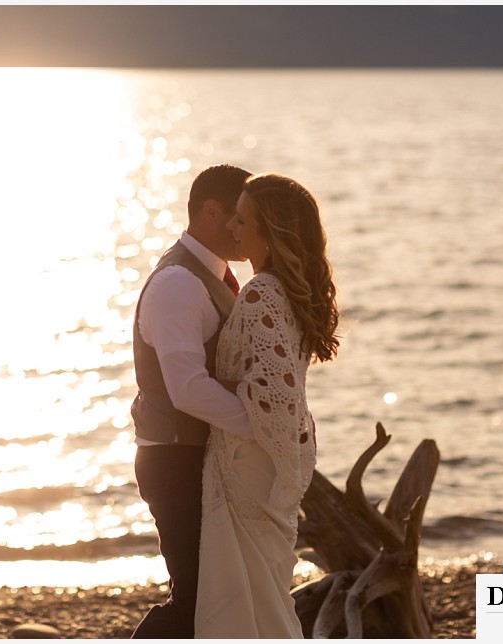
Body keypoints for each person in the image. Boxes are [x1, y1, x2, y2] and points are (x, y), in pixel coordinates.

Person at [194, 173, 340, 638]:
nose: (234, 229)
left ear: (271, 232)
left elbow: (275, 399)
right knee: (261, 597)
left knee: (243, 602)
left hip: (247, 464)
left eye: (244, 220)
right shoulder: (286, 292)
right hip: (261, 459)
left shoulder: (262, 294)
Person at [130, 163, 254, 639]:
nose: (249, 230)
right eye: (241, 217)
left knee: (215, 596)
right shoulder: (178, 283)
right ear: (211, 211)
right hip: (174, 461)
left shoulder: (213, 276)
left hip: (197, 458)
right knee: (197, 598)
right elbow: (186, 388)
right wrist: (260, 424)